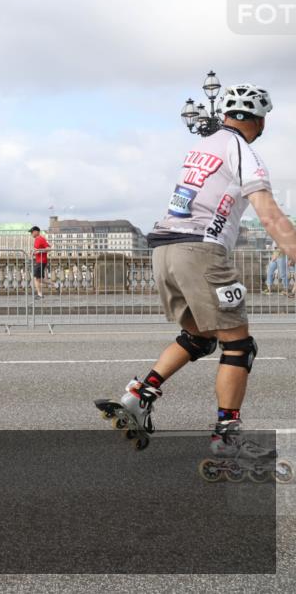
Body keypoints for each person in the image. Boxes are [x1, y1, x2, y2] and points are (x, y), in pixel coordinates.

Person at [95, 83, 296, 461]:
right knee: (239, 345)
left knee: (199, 336)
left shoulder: (201, 147)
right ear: (261, 119)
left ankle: (139, 395)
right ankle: (228, 437)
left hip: (164, 251)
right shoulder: (244, 152)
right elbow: (269, 214)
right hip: (200, 250)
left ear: (225, 115)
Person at [30, 226, 50, 299]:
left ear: (36, 232)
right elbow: (46, 247)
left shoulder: (40, 239)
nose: (31, 234)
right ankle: (55, 284)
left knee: (36, 278)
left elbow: (48, 248)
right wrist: (34, 252)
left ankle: (40, 295)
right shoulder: (37, 239)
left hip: (41, 261)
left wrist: (39, 251)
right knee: (39, 279)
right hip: (39, 260)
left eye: (32, 232)